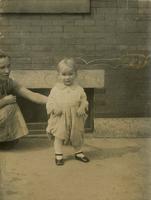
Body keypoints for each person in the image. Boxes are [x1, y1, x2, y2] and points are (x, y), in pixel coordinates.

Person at [0, 50, 48, 149]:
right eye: (2, 68)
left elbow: (30, 94)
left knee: (11, 105)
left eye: (8, 66)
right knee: (10, 106)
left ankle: (5, 141)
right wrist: (4, 101)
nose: (7, 71)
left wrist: (55, 100)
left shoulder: (8, 82)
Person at [46, 57, 89, 166]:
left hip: (75, 116)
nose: (67, 77)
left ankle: (78, 152)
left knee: (77, 135)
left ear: (75, 74)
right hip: (60, 116)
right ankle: (58, 154)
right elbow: (50, 101)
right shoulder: (56, 89)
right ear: (58, 75)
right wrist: (54, 108)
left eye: (70, 74)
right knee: (59, 135)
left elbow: (84, 100)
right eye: (64, 74)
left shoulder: (79, 89)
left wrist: (82, 107)